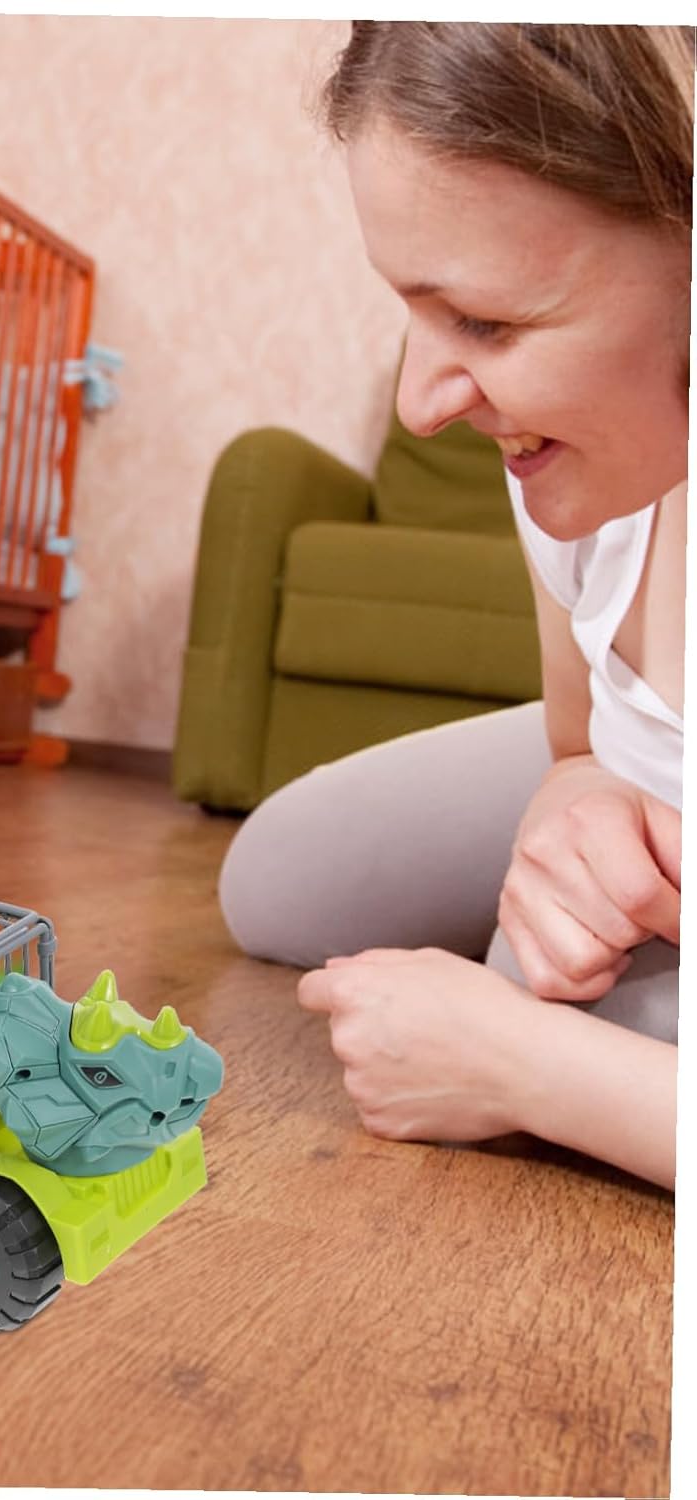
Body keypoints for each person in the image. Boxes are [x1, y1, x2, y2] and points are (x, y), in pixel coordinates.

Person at [218, 22, 690, 1189]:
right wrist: (579, 792)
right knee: (278, 879)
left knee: (591, 1019)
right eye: (414, 310)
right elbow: (577, 734)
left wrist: (521, 1066)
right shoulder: (577, 478)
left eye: (485, 322)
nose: (421, 405)